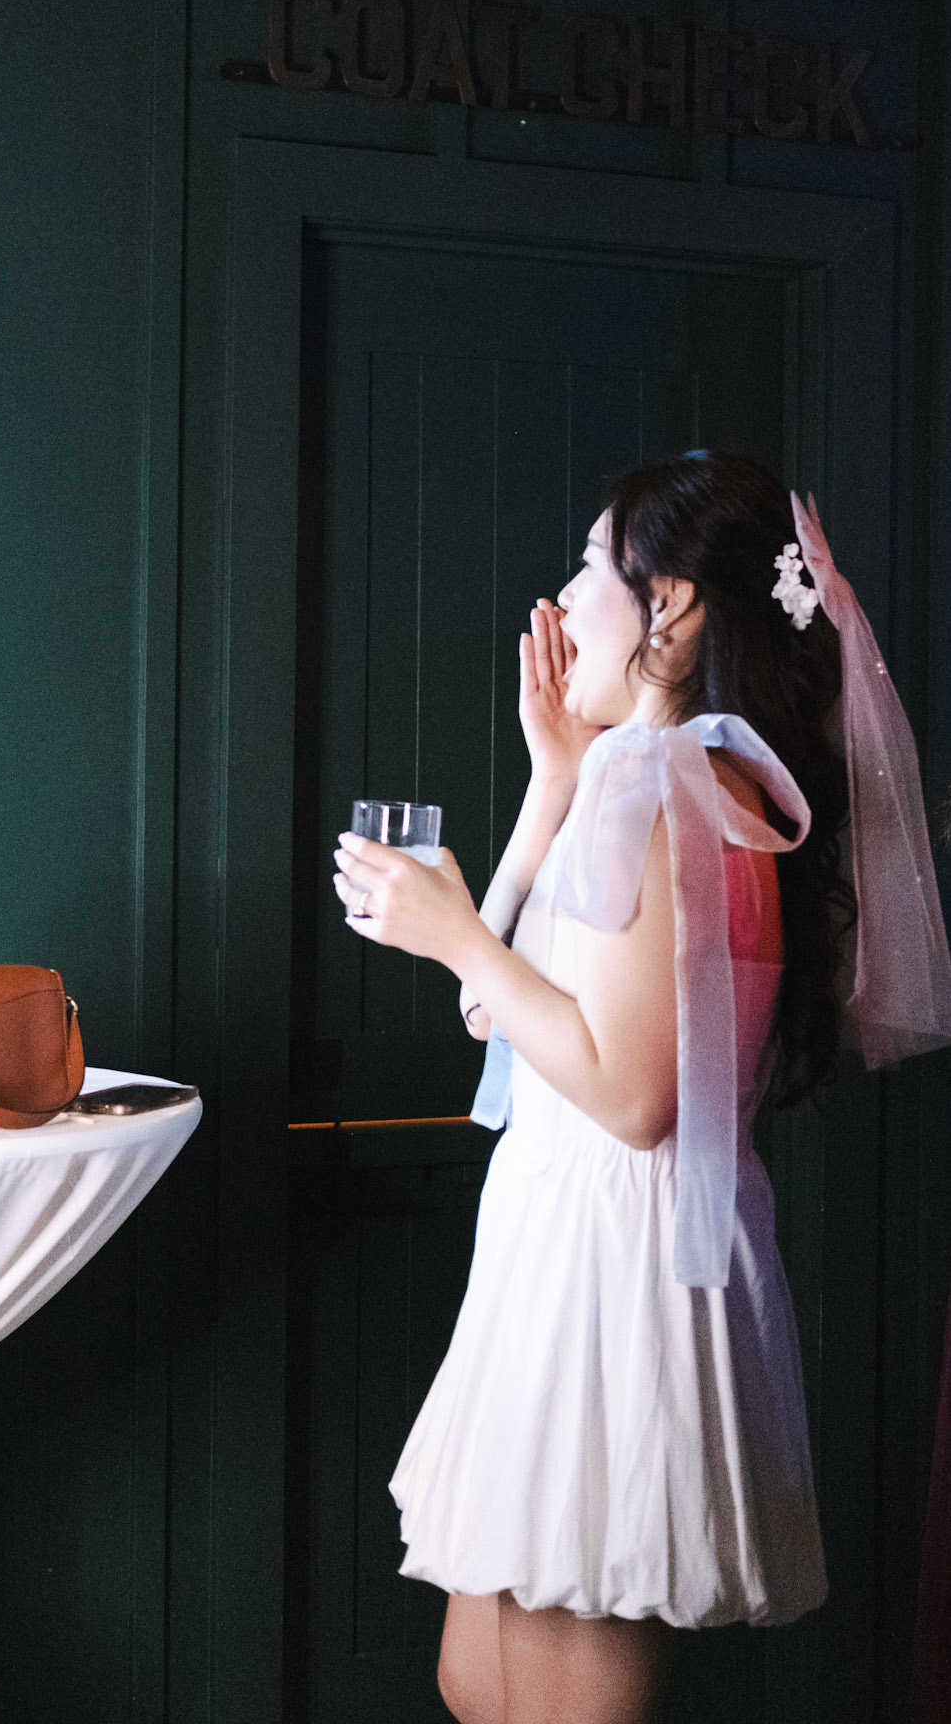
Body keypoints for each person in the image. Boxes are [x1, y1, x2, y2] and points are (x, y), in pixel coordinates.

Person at [331, 451, 928, 1724]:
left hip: (614, 1270)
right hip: (559, 1246)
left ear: (672, 605)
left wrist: (460, 936)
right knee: (475, 1682)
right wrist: (549, 779)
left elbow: (634, 1095)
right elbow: (494, 1010)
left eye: (589, 565)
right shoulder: (634, 774)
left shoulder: (670, 785)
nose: (559, 598)